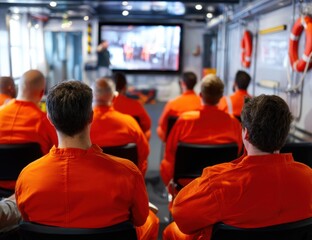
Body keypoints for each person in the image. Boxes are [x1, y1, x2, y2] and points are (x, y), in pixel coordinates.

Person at [15, 80, 158, 240]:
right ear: (91, 116)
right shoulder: (128, 172)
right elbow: (139, 219)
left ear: (49, 118)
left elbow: (27, 221)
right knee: (152, 220)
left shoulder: (27, 177)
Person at [163, 94, 312, 240]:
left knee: (172, 231)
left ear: (246, 133)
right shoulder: (308, 177)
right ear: (284, 134)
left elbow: (181, 215)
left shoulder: (218, 184)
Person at [160, 74, 242, 187]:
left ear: (200, 95)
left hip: (187, 186)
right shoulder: (234, 124)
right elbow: (238, 157)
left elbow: (169, 156)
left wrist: (170, 185)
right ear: (220, 96)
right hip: (221, 184)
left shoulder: (185, 121)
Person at [0, 69, 57, 190]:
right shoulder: (45, 122)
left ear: (18, 88)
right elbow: (57, 153)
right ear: (42, 93)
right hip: (33, 188)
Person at [90, 77, 150, 176]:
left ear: (91, 97)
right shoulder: (130, 123)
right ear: (114, 98)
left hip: (91, 185)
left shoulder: (81, 126)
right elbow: (143, 153)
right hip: (125, 185)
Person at [157, 71, 201, 142]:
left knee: (159, 129)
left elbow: (162, 124)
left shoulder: (172, 104)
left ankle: (170, 148)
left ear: (182, 84)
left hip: (177, 139)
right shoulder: (202, 103)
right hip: (198, 138)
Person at [113, 72, 152, 140]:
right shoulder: (136, 105)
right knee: (148, 133)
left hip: (108, 144)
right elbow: (147, 126)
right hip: (132, 143)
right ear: (125, 88)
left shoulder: (102, 107)